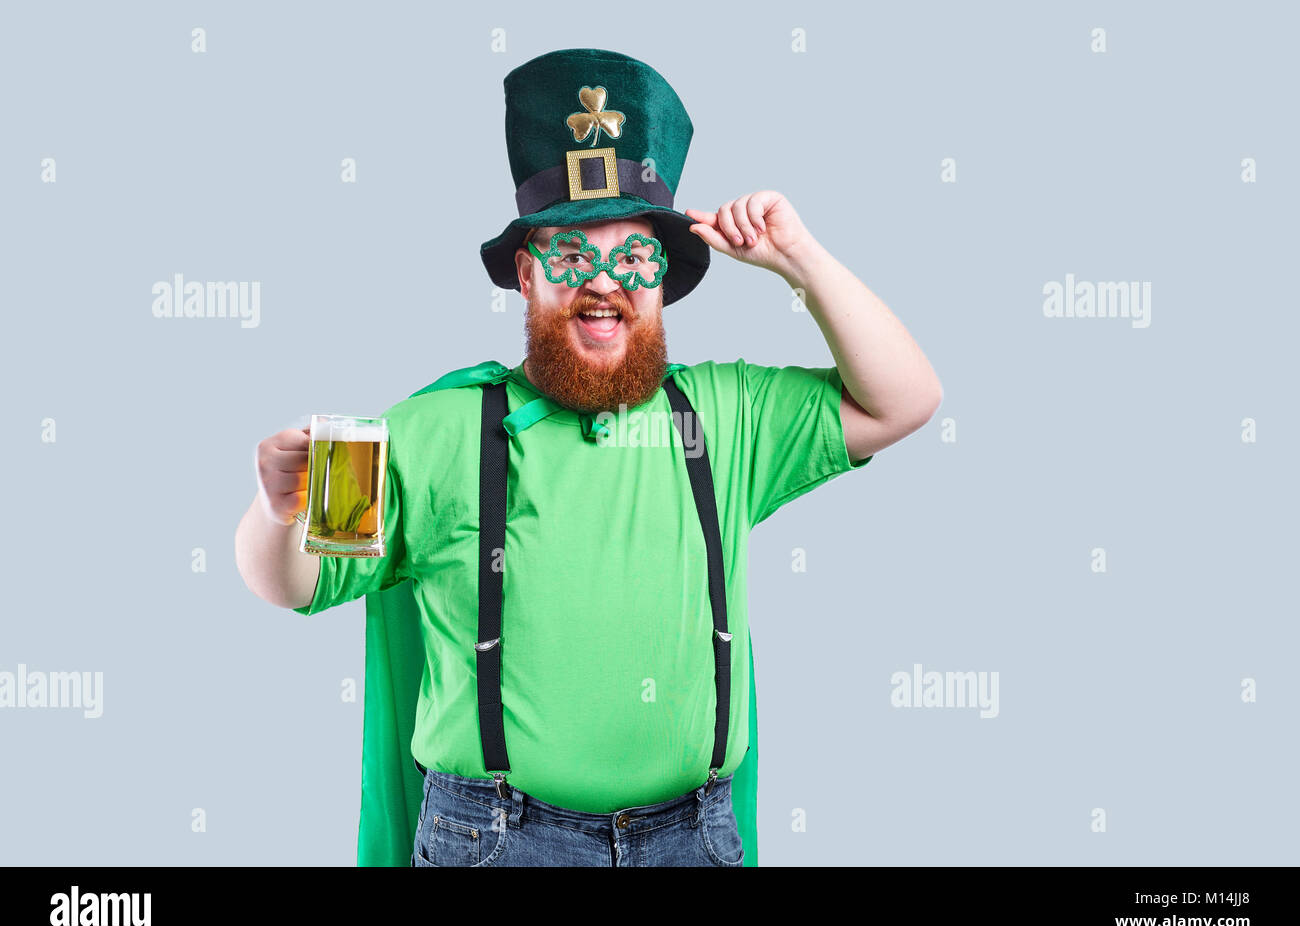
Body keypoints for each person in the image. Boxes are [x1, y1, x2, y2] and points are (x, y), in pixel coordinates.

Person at [234, 48, 942, 867]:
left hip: (695, 840)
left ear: (664, 280)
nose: (602, 284)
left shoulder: (727, 413)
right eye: (572, 258)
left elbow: (905, 400)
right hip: (494, 845)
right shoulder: (435, 431)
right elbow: (291, 585)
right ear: (528, 277)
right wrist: (275, 510)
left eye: (631, 257)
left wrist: (800, 261)